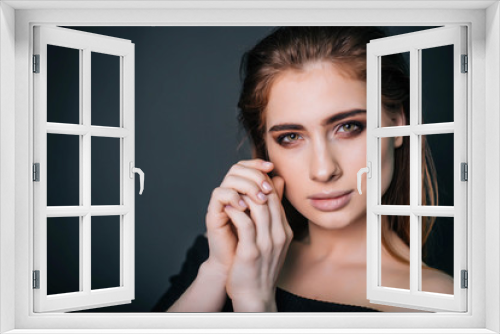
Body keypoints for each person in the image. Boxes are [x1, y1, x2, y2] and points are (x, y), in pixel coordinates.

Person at [152, 26, 453, 313]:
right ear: (267, 148)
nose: (323, 170)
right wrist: (216, 271)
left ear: (398, 124)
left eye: (348, 127)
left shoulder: (435, 302)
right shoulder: (222, 252)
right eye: (291, 137)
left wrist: (255, 305)